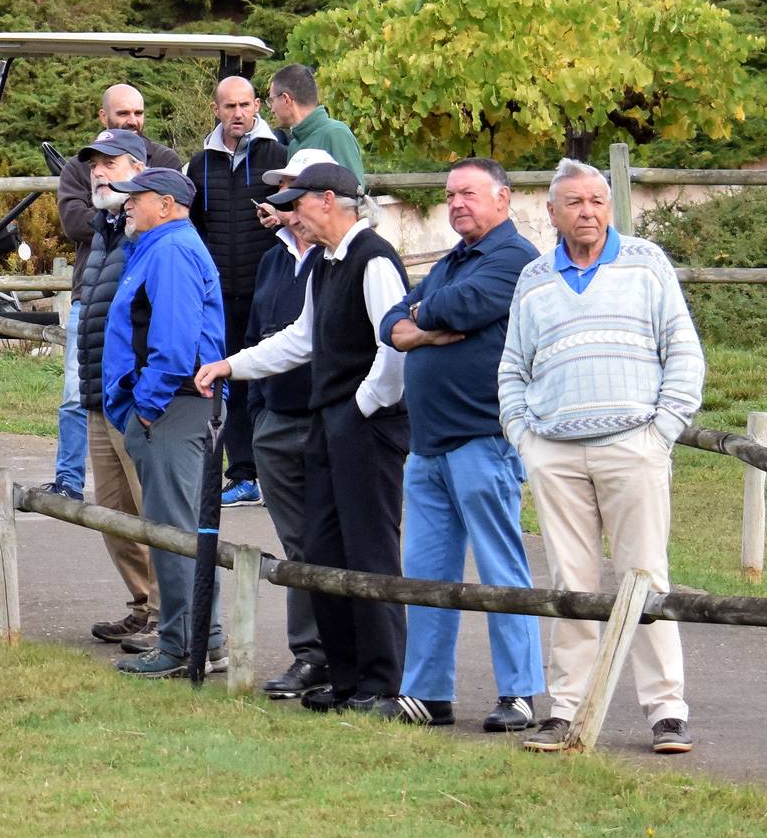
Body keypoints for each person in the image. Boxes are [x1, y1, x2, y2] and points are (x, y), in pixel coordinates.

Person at [500, 159, 703, 756]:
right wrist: (524, 437)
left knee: (644, 576)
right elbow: (512, 367)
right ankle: (566, 711)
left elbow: (684, 354)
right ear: (552, 212)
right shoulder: (534, 278)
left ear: (609, 207)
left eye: (597, 200)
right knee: (572, 583)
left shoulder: (646, 263)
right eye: (575, 202)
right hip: (555, 454)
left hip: (631, 444)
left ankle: (666, 712)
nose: (587, 211)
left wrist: (660, 432)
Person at [197, 161, 408, 717]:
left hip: (366, 426)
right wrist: (231, 366)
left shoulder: (374, 259)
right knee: (322, 550)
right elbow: (301, 339)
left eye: (298, 203)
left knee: (370, 553)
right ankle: (343, 678)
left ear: (329, 201)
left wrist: (356, 409)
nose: (290, 214)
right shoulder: (325, 266)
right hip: (330, 424)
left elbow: (394, 350)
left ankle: (381, 682)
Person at [376, 156, 543, 733]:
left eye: (468, 194)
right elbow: (391, 324)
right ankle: (427, 692)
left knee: (501, 568)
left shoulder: (514, 258)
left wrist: (423, 318)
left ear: (502, 198)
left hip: (483, 438)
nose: (456, 204)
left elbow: (461, 307)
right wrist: (425, 324)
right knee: (426, 574)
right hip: (427, 446)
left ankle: (519, 692)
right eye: (450, 195)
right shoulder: (452, 261)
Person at [102, 167, 227, 678]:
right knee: (175, 528)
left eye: (138, 197)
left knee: (175, 532)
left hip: (173, 408)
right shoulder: (157, 246)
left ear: (168, 205)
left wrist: (146, 409)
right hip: (168, 407)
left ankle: (186, 646)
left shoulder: (172, 250)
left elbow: (174, 347)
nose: (127, 204)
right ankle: (198, 639)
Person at [52, 83, 185, 501]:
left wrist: (116, 204)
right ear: (102, 115)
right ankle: (68, 479)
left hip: (135, 313)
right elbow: (74, 221)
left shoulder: (165, 161)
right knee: (78, 393)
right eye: (123, 113)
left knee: (150, 503)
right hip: (89, 294)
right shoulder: (80, 165)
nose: (132, 120)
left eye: (138, 113)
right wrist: (110, 206)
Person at [244, 151, 332, 700]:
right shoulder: (272, 258)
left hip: (327, 420)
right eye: (284, 193)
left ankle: (344, 653)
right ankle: (311, 654)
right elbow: (257, 335)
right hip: (276, 419)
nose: (288, 205)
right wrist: (256, 415)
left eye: (297, 192)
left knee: (335, 542)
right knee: (298, 543)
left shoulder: (349, 258)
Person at [70, 129, 159, 649]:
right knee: (112, 512)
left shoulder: (148, 233)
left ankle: (172, 617)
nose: (98, 172)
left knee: (154, 512)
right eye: (95, 165)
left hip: (134, 397)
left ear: (140, 171)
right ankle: (144, 604)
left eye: (111, 163)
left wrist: (143, 394)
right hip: (99, 393)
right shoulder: (106, 229)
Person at [188, 74, 286, 508]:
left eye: (245, 105)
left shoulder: (278, 156)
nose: (238, 114)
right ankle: (243, 473)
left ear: (258, 105)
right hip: (220, 294)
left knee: (270, 381)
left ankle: (276, 471)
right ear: (215, 110)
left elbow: (294, 219)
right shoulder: (199, 164)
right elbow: (195, 226)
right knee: (231, 383)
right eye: (229, 107)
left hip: (267, 289)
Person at [266, 64, 365, 179]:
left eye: (271, 101)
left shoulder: (336, 134)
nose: (271, 109)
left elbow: (352, 193)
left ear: (286, 99)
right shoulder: (294, 145)